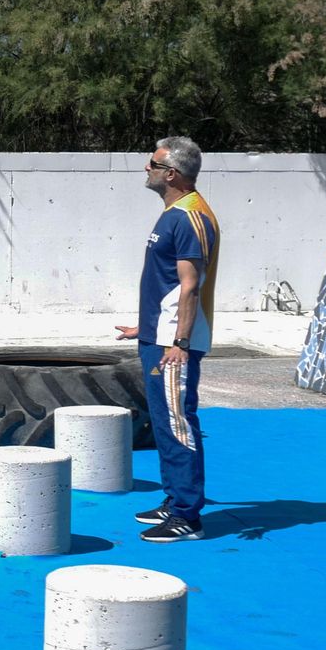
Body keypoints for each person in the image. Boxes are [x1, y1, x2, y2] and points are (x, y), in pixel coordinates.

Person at [117, 137, 220, 543]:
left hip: (174, 344)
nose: (147, 169)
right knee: (163, 421)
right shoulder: (174, 213)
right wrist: (145, 327)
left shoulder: (191, 217)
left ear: (171, 174)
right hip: (158, 336)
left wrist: (178, 341)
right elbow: (166, 285)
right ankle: (175, 497)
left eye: (153, 163)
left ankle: (187, 516)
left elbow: (189, 286)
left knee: (179, 423)